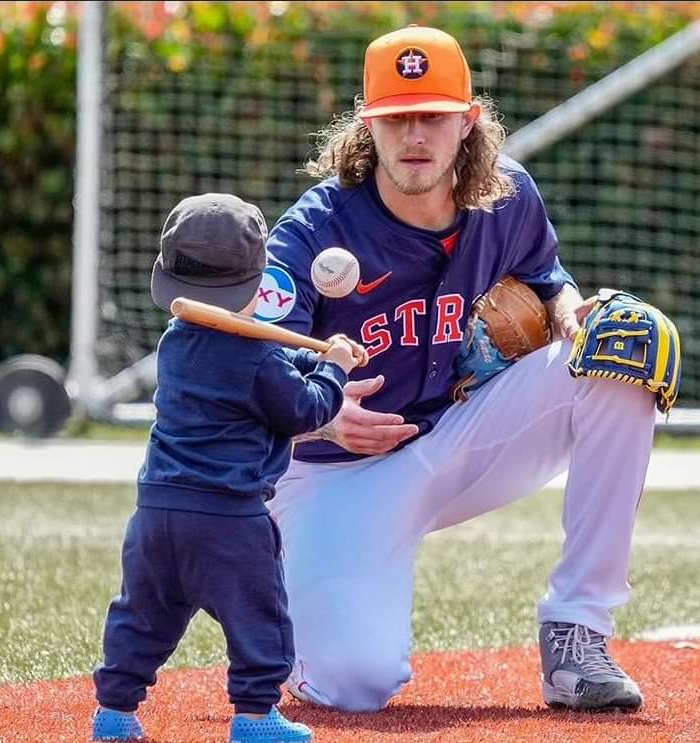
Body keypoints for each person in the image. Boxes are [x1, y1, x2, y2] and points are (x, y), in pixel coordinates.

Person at [263, 26, 656, 713]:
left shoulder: (506, 197)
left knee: (621, 348)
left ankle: (578, 631)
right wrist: (321, 415)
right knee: (355, 683)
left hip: (453, 441)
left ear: (468, 122)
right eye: (397, 118)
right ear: (368, 124)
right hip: (332, 475)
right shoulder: (313, 230)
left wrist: (567, 309)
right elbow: (256, 364)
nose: (416, 135)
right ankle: (299, 591)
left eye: (434, 116)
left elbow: (547, 277)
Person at [91, 193, 365, 742]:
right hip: (228, 519)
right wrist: (333, 369)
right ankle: (256, 718)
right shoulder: (256, 357)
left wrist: (314, 360)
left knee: (144, 616)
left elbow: (266, 368)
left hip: (156, 512)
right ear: (256, 280)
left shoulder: (175, 343)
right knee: (260, 619)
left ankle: (115, 712)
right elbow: (305, 408)